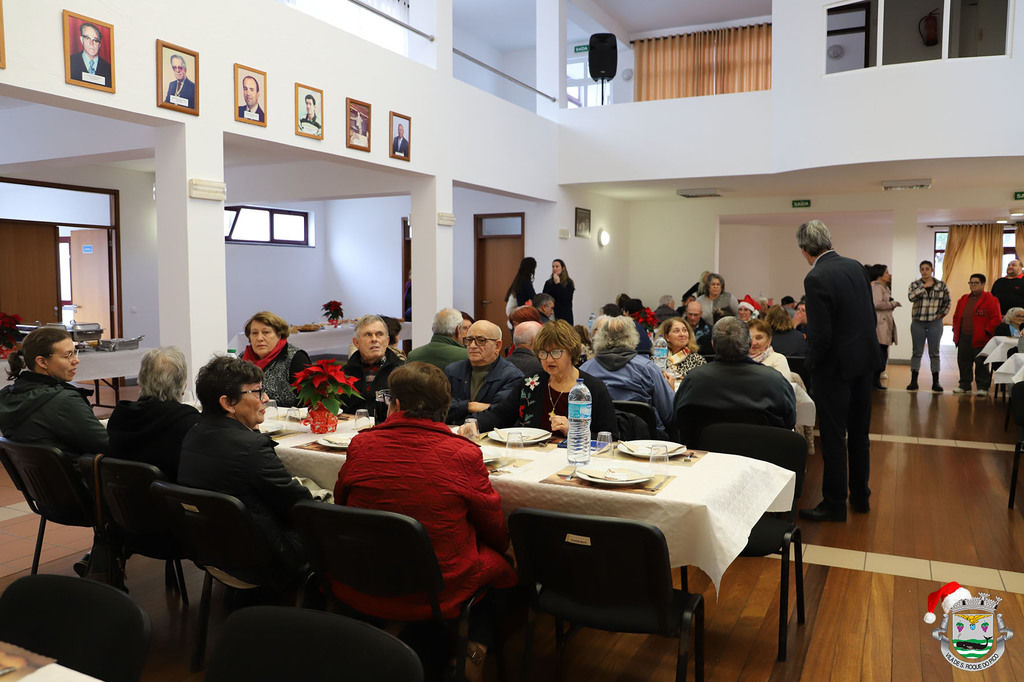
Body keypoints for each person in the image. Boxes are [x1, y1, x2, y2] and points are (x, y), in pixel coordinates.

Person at [334, 362, 516, 681]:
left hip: (363, 575)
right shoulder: (463, 453)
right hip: (436, 586)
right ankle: (472, 656)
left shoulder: (361, 444)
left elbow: (341, 502)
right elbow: (493, 526)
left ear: (397, 404)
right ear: (445, 407)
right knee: (501, 565)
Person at [178, 356, 312, 587]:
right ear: (228, 403)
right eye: (258, 392)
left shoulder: (193, 434)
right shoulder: (251, 447)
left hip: (211, 549)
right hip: (261, 557)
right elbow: (300, 504)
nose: (266, 399)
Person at [796, 220, 879, 523]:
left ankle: (834, 503)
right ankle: (861, 496)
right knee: (860, 434)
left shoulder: (816, 276)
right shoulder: (856, 266)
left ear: (804, 250)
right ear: (829, 241)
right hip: (864, 362)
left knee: (833, 436)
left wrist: (811, 365)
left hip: (835, 369)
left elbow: (821, 334)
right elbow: (868, 314)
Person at [494, 320, 617, 439]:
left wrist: (574, 431)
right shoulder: (531, 383)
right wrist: (475, 423)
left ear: (571, 352)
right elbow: (499, 416)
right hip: (535, 456)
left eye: (556, 352)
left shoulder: (593, 388)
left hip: (576, 457)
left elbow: (609, 437)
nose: (549, 359)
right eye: (543, 353)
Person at [673, 317, 796, 435]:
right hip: (761, 453)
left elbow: (679, 419)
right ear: (749, 343)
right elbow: (789, 421)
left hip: (708, 452)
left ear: (713, 344)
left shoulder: (693, 380)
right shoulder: (774, 380)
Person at [0, 326, 108, 456]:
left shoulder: (8, 395)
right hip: (80, 474)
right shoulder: (63, 401)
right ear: (42, 362)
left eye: (75, 352)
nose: (76, 360)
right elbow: (106, 444)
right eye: (68, 355)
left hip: (42, 474)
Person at [106, 347, 200, 482]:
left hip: (123, 500)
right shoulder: (188, 424)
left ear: (140, 381)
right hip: (168, 500)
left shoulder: (120, 417)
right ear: (183, 386)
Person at [580, 316, 675, 434]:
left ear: (599, 337)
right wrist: (669, 389)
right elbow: (669, 414)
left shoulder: (585, 370)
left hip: (600, 439)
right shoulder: (647, 368)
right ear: (632, 337)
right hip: (646, 441)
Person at [445, 320, 523, 432]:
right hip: (454, 434)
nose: (472, 346)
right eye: (469, 340)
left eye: (481, 341)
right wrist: (469, 406)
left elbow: (500, 414)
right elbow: (440, 408)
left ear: (497, 345)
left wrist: (459, 410)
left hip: (491, 438)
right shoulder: (452, 371)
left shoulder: (512, 376)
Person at [240, 311, 310, 408]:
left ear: (279, 335)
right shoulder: (242, 359)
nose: (259, 338)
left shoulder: (295, 358)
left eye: (266, 332)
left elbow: (307, 401)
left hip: (286, 419)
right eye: (254, 333)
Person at [342, 315, 405, 413]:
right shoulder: (344, 373)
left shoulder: (401, 371)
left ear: (387, 341)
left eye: (379, 334)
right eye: (368, 335)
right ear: (356, 342)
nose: (374, 339)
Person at [952, 273, 1001, 395]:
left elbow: (996, 319)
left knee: (981, 362)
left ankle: (982, 387)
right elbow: (956, 316)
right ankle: (964, 385)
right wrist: (955, 330)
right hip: (964, 336)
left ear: (983, 284)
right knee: (963, 362)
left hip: (981, 337)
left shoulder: (990, 299)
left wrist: (987, 332)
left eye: (976, 283)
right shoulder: (963, 299)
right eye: (971, 283)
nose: (973, 285)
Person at [907, 260, 951, 392]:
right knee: (917, 352)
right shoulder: (915, 284)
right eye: (922, 269)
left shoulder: (941, 285)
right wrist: (923, 287)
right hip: (918, 323)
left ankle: (936, 382)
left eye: (927, 269)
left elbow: (947, 302)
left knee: (934, 353)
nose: (924, 271)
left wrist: (941, 314)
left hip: (934, 323)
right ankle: (913, 381)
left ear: (932, 270)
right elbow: (911, 297)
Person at [869, 264, 900, 390]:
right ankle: (874, 382)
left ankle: (876, 381)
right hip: (880, 323)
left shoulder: (884, 287)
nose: (889, 274)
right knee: (879, 353)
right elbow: (876, 304)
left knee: (882, 353)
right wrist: (892, 303)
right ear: (880, 275)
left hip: (885, 322)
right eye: (886, 272)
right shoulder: (877, 287)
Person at [656, 317, 706, 387]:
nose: (682, 334)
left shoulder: (697, 360)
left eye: (685, 330)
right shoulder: (658, 359)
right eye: (676, 331)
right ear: (667, 337)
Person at [541, 259, 575, 324]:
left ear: (563, 268)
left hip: (565, 315)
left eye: (557, 266)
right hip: (552, 314)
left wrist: (558, 284)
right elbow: (544, 298)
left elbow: (566, 298)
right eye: (553, 267)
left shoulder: (569, 282)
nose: (554, 268)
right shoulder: (548, 283)